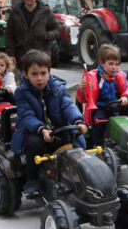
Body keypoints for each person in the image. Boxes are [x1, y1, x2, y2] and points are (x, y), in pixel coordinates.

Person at [10, 49, 88, 198]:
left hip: (58, 128)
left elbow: (67, 106)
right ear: (25, 74)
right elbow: (27, 115)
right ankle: (32, 181)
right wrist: (42, 130)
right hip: (33, 131)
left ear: (49, 72)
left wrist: (78, 121)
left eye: (43, 73)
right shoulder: (21, 92)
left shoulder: (58, 87)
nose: (39, 78)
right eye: (34, 74)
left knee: (78, 144)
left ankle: (80, 176)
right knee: (34, 144)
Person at [77, 44, 128, 147]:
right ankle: (97, 145)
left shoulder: (119, 75)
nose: (114, 67)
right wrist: (81, 89)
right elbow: (82, 99)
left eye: (117, 64)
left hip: (117, 105)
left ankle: (127, 139)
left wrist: (126, 97)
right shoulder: (92, 77)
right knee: (99, 121)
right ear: (101, 63)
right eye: (111, 64)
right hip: (101, 107)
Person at [6, 0, 61, 71]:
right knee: (24, 83)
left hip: (41, 57)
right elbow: (9, 35)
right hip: (21, 58)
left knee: (39, 83)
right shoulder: (15, 12)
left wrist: (48, 35)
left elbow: (57, 29)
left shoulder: (45, 12)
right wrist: (11, 54)